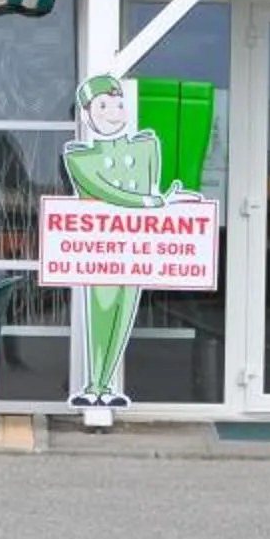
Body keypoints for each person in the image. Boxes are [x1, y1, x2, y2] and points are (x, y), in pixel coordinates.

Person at [58, 73, 203, 427]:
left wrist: (172, 200)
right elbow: (106, 191)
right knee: (101, 312)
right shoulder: (80, 156)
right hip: (99, 247)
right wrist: (155, 202)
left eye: (119, 104)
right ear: (87, 115)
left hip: (135, 246)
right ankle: (94, 386)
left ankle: (104, 385)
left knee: (123, 314)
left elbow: (158, 177)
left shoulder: (145, 146)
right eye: (103, 106)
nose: (113, 112)